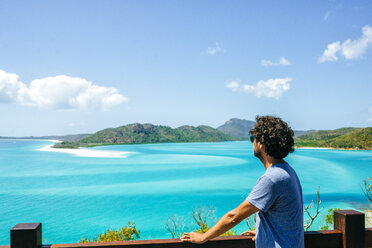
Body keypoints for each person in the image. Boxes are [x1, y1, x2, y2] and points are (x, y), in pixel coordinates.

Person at [181, 115, 304, 248]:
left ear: (262, 144)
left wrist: (203, 237)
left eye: (253, 139)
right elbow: (287, 216)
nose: (252, 143)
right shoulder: (288, 171)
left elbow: (234, 217)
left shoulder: (271, 178)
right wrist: (264, 232)